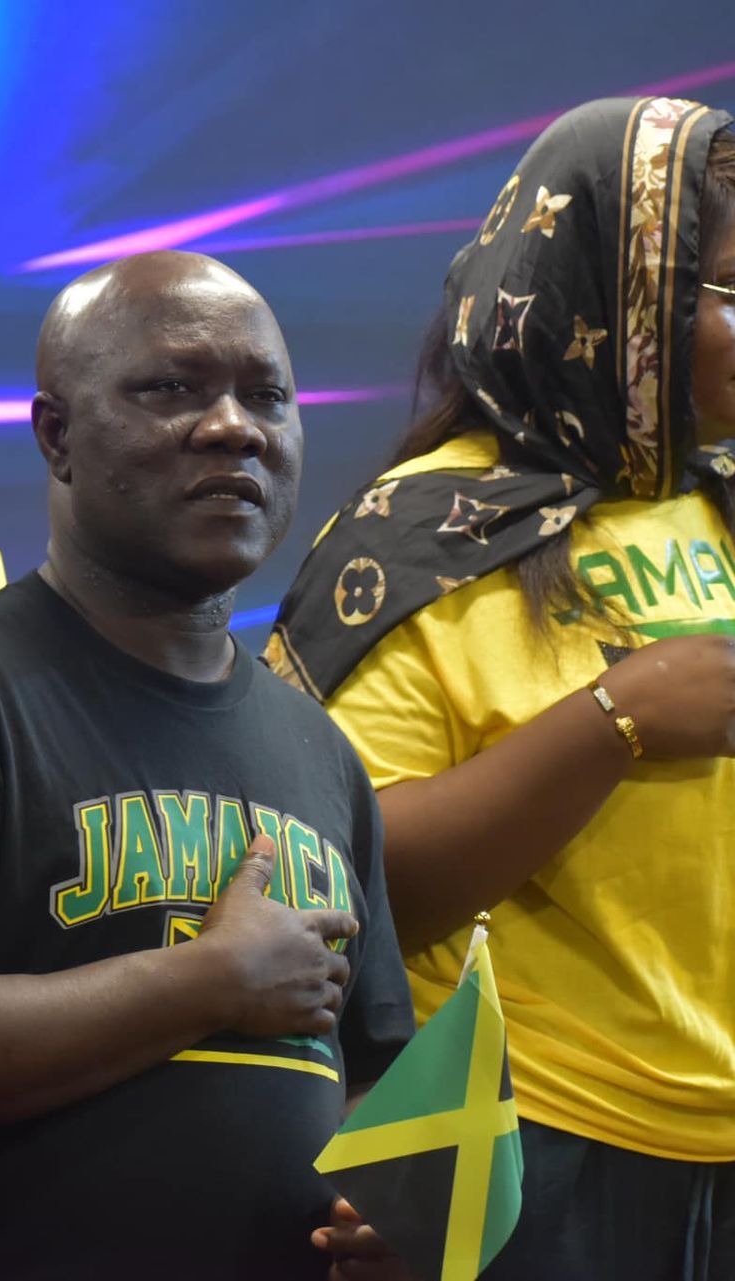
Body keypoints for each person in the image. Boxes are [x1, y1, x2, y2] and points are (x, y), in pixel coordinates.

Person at [0, 250, 414, 1281]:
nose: (231, 427)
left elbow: (366, 1067)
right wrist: (206, 981)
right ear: (57, 436)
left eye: (266, 396)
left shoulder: (319, 750)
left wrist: (392, 1206)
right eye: (171, 389)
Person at [269, 96, 735, 1280]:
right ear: (623, 300)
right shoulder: (414, 539)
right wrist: (612, 722)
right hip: (535, 1132)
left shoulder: (717, 496)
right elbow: (348, 884)